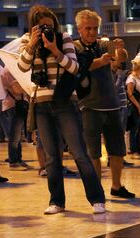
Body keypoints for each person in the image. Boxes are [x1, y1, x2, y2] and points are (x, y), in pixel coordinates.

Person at [18, 4, 106, 214]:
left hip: (65, 102)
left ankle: (97, 199)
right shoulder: (27, 40)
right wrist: (32, 44)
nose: (46, 30)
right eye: (41, 27)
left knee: (79, 152)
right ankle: (56, 201)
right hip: (41, 104)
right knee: (51, 156)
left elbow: (75, 67)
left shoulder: (63, 38)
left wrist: (55, 50)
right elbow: (22, 67)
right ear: (33, 27)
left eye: (49, 25)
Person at [74, 9, 135, 199]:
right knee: (93, 153)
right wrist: (100, 62)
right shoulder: (75, 47)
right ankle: (96, 190)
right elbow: (77, 67)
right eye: (88, 28)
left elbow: (121, 58)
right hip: (89, 106)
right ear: (79, 29)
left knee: (117, 150)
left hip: (112, 105)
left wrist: (119, 48)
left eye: (95, 28)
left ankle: (116, 186)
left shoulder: (102, 44)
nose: (92, 32)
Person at [126, 59, 140, 159]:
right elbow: (130, 94)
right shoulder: (131, 78)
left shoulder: (139, 78)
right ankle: (133, 151)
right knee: (134, 129)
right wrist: (138, 107)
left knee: (139, 129)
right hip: (135, 107)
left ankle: (138, 150)